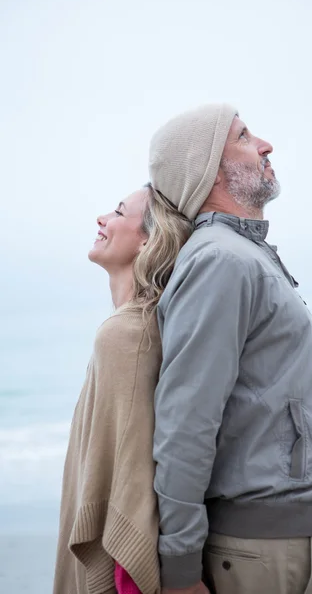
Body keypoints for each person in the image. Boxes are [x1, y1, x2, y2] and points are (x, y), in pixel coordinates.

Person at [148, 104, 312, 594]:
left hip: (296, 541)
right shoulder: (221, 260)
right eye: (243, 137)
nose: (265, 145)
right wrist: (179, 569)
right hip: (264, 553)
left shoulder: (244, 255)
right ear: (208, 170)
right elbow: (187, 420)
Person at [53, 184, 193, 594]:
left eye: (117, 211)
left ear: (148, 238)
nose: (102, 218)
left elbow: (130, 476)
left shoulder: (128, 333)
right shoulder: (142, 325)